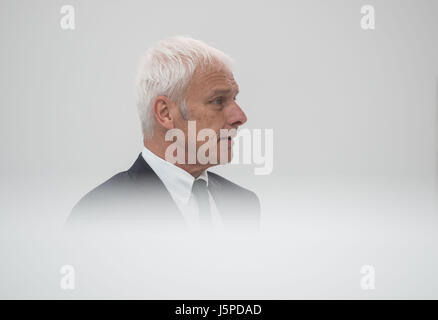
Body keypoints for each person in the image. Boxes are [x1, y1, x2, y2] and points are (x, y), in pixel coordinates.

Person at [67, 36, 260, 231]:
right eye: (218, 101)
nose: (240, 117)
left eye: (234, 98)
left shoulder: (244, 205)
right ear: (165, 113)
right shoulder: (101, 214)